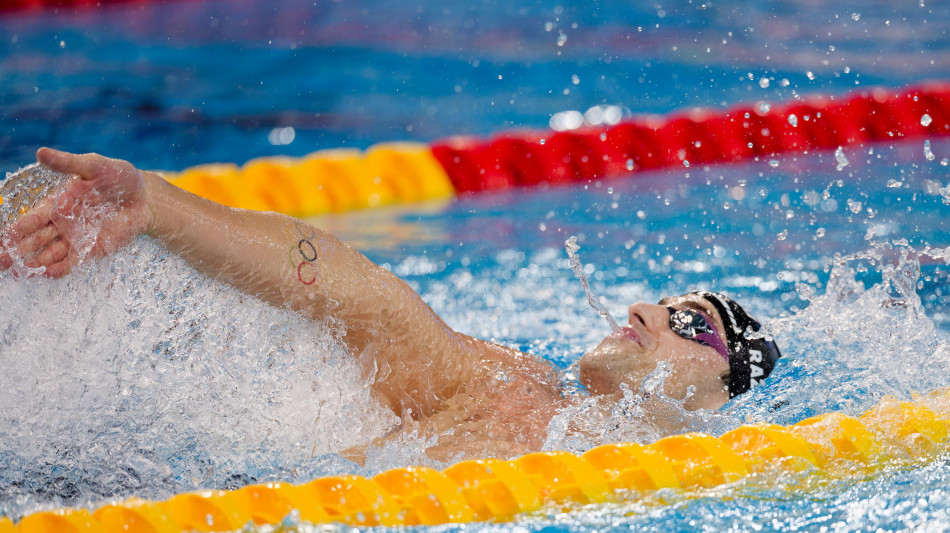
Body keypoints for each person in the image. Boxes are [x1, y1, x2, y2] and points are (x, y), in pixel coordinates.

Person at [0, 148, 782, 462]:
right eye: (664, 299)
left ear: (721, 397)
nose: (648, 308)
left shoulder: (730, 469)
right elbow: (359, 296)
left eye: (691, 323)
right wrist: (161, 210)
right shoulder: (519, 394)